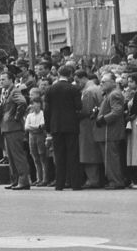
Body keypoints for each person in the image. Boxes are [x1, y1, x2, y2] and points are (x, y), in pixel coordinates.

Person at [44, 63, 83, 191]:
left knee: (59, 155)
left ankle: (59, 183)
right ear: (70, 75)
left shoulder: (50, 89)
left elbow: (47, 110)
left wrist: (48, 127)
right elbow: (78, 106)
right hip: (71, 125)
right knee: (73, 154)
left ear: (58, 74)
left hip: (56, 125)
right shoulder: (74, 89)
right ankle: (75, 183)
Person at [0, 68, 30, 190]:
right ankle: (15, 180)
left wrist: (16, 117)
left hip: (14, 127)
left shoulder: (14, 91)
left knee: (17, 155)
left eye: (4, 79)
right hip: (7, 127)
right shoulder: (5, 91)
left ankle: (23, 180)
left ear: (11, 80)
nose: (1, 82)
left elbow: (23, 103)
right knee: (11, 157)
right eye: (0, 80)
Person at [94, 71, 127, 189]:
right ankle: (114, 180)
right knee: (110, 158)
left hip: (111, 132)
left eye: (104, 82)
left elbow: (117, 111)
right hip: (108, 131)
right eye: (101, 81)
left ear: (113, 82)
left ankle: (116, 181)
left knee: (112, 158)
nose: (101, 84)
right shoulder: (109, 94)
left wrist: (103, 119)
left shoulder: (114, 94)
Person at [76, 69, 103, 188]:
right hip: (94, 123)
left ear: (83, 78)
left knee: (88, 152)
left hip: (87, 124)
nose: (77, 84)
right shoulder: (97, 88)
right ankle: (95, 178)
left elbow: (86, 110)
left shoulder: (88, 91)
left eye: (77, 81)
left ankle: (93, 179)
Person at [24, 91, 49, 186]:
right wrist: (35, 127)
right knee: (35, 158)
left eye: (36, 104)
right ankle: (39, 178)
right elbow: (26, 127)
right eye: (33, 104)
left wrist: (33, 127)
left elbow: (41, 126)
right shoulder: (30, 115)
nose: (34, 106)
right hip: (32, 138)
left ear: (40, 104)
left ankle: (45, 179)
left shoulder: (42, 114)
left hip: (40, 137)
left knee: (43, 157)